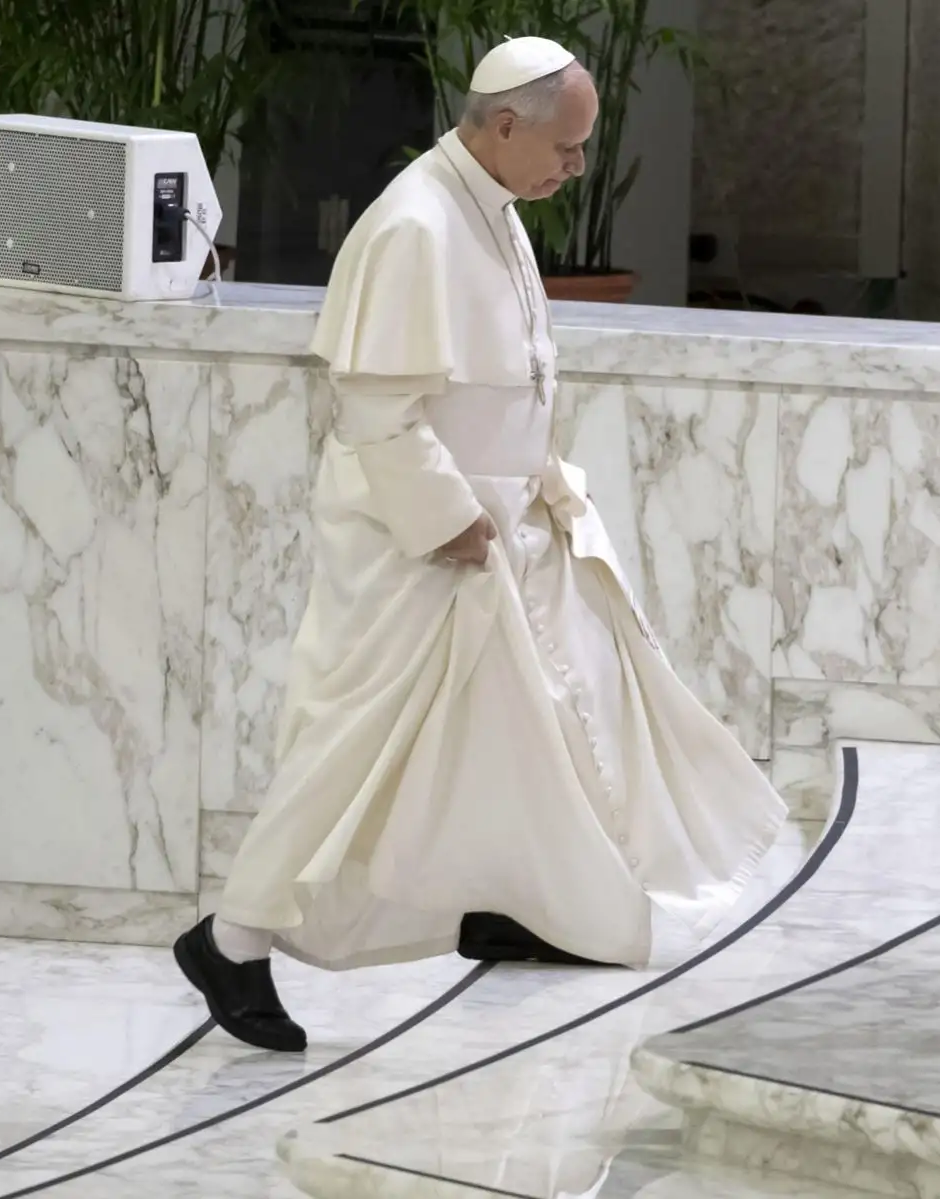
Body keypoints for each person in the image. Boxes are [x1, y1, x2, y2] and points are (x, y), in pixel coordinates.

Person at [173, 36, 790, 1053]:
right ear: (506, 124)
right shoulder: (416, 222)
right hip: (420, 544)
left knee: (532, 716)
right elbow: (374, 405)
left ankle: (514, 896)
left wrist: (531, 488)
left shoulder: (488, 205)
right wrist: (453, 522)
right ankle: (231, 940)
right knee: (354, 748)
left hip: (499, 525)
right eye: (568, 146)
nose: (577, 169)